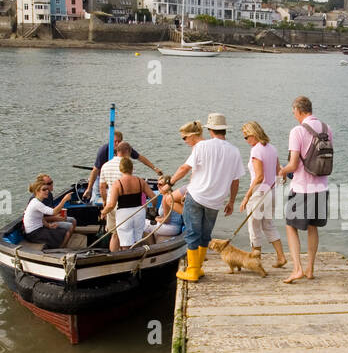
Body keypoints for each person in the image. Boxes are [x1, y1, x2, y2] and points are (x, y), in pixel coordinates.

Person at [167, 115, 244, 281]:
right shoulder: (234, 151)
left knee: (192, 233)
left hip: (196, 196)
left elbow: (184, 168)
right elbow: (235, 181)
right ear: (225, 129)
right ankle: (198, 268)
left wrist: (170, 183)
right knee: (204, 235)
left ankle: (193, 270)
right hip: (215, 201)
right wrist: (231, 201)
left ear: (210, 130)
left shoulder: (202, 146)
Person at [277, 95, 333, 284]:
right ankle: (310, 268)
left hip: (302, 188)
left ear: (299, 111)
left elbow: (293, 165)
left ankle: (297, 269)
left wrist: (282, 171)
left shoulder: (297, 131)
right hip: (322, 186)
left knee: (290, 226)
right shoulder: (327, 128)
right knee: (312, 227)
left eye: (294, 112)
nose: (294, 116)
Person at [238, 120, 287, 268]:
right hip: (272, 192)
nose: (246, 141)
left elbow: (259, 177)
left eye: (246, 137)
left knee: (254, 227)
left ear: (253, 134)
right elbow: (280, 172)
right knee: (268, 225)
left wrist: (246, 197)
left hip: (259, 193)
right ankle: (281, 257)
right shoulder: (272, 148)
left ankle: (256, 261)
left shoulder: (256, 150)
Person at [86, 130, 161, 203]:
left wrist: (154, 168)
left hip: (118, 177)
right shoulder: (103, 150)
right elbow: (95, 170)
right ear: (110, 141)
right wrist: (89, 189)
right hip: (102, 177)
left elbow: (140, 158)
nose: (117, 143)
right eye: (115, 141)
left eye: (119, 141)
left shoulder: (124, 148)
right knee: (96, 199)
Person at [101, 156, 156, 251]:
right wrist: (153, 208)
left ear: (120, 169)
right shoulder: (140, 181)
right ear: (132, 168)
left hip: (124, 214)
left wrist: (103, 212)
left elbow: (111, 205)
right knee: (137, 239)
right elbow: (153, 197)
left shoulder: (117, 184)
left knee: (125, 242)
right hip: (139, 212)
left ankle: (125, 261)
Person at [22, 175, 75, 249]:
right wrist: (64, 200)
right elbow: (54, 212)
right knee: (66, 233)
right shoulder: (36, 203)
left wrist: (48, 225)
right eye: (44, 190)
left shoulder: (38, 201)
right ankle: (60, 250)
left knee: (63, 231)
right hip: (33, 234)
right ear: (37, 191)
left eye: (47, 189)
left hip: (38, 229)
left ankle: (60, 247)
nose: (47, 191)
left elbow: (41, 218)